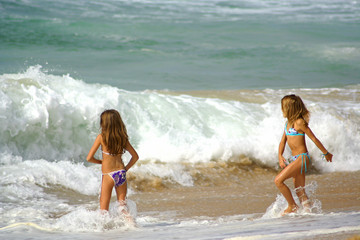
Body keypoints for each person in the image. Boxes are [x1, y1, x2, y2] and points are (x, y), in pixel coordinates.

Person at [274, 94, 332, 215]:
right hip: (295, 159)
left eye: (283, 107)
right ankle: (308, 213)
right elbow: (282, 141)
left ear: (290, 108)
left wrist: (326, 153)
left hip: (302, 158)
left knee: (278, 181)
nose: (282, 110)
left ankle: (292, 206)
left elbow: (314, 138)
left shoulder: (300, 123)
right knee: (299, 191)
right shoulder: (287, 124)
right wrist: (280, 156)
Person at [87, 109, 139, 217]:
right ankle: (131, 226)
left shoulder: (101, 137)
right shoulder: (122, 138)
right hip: (121, 173)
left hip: (108, 175)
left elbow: (89, 158)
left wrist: (101, 162)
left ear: (104, 123)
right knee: (122, 207)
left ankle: (103, 231)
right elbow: (135, 156)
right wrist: (125, 169)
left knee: (103, 209)